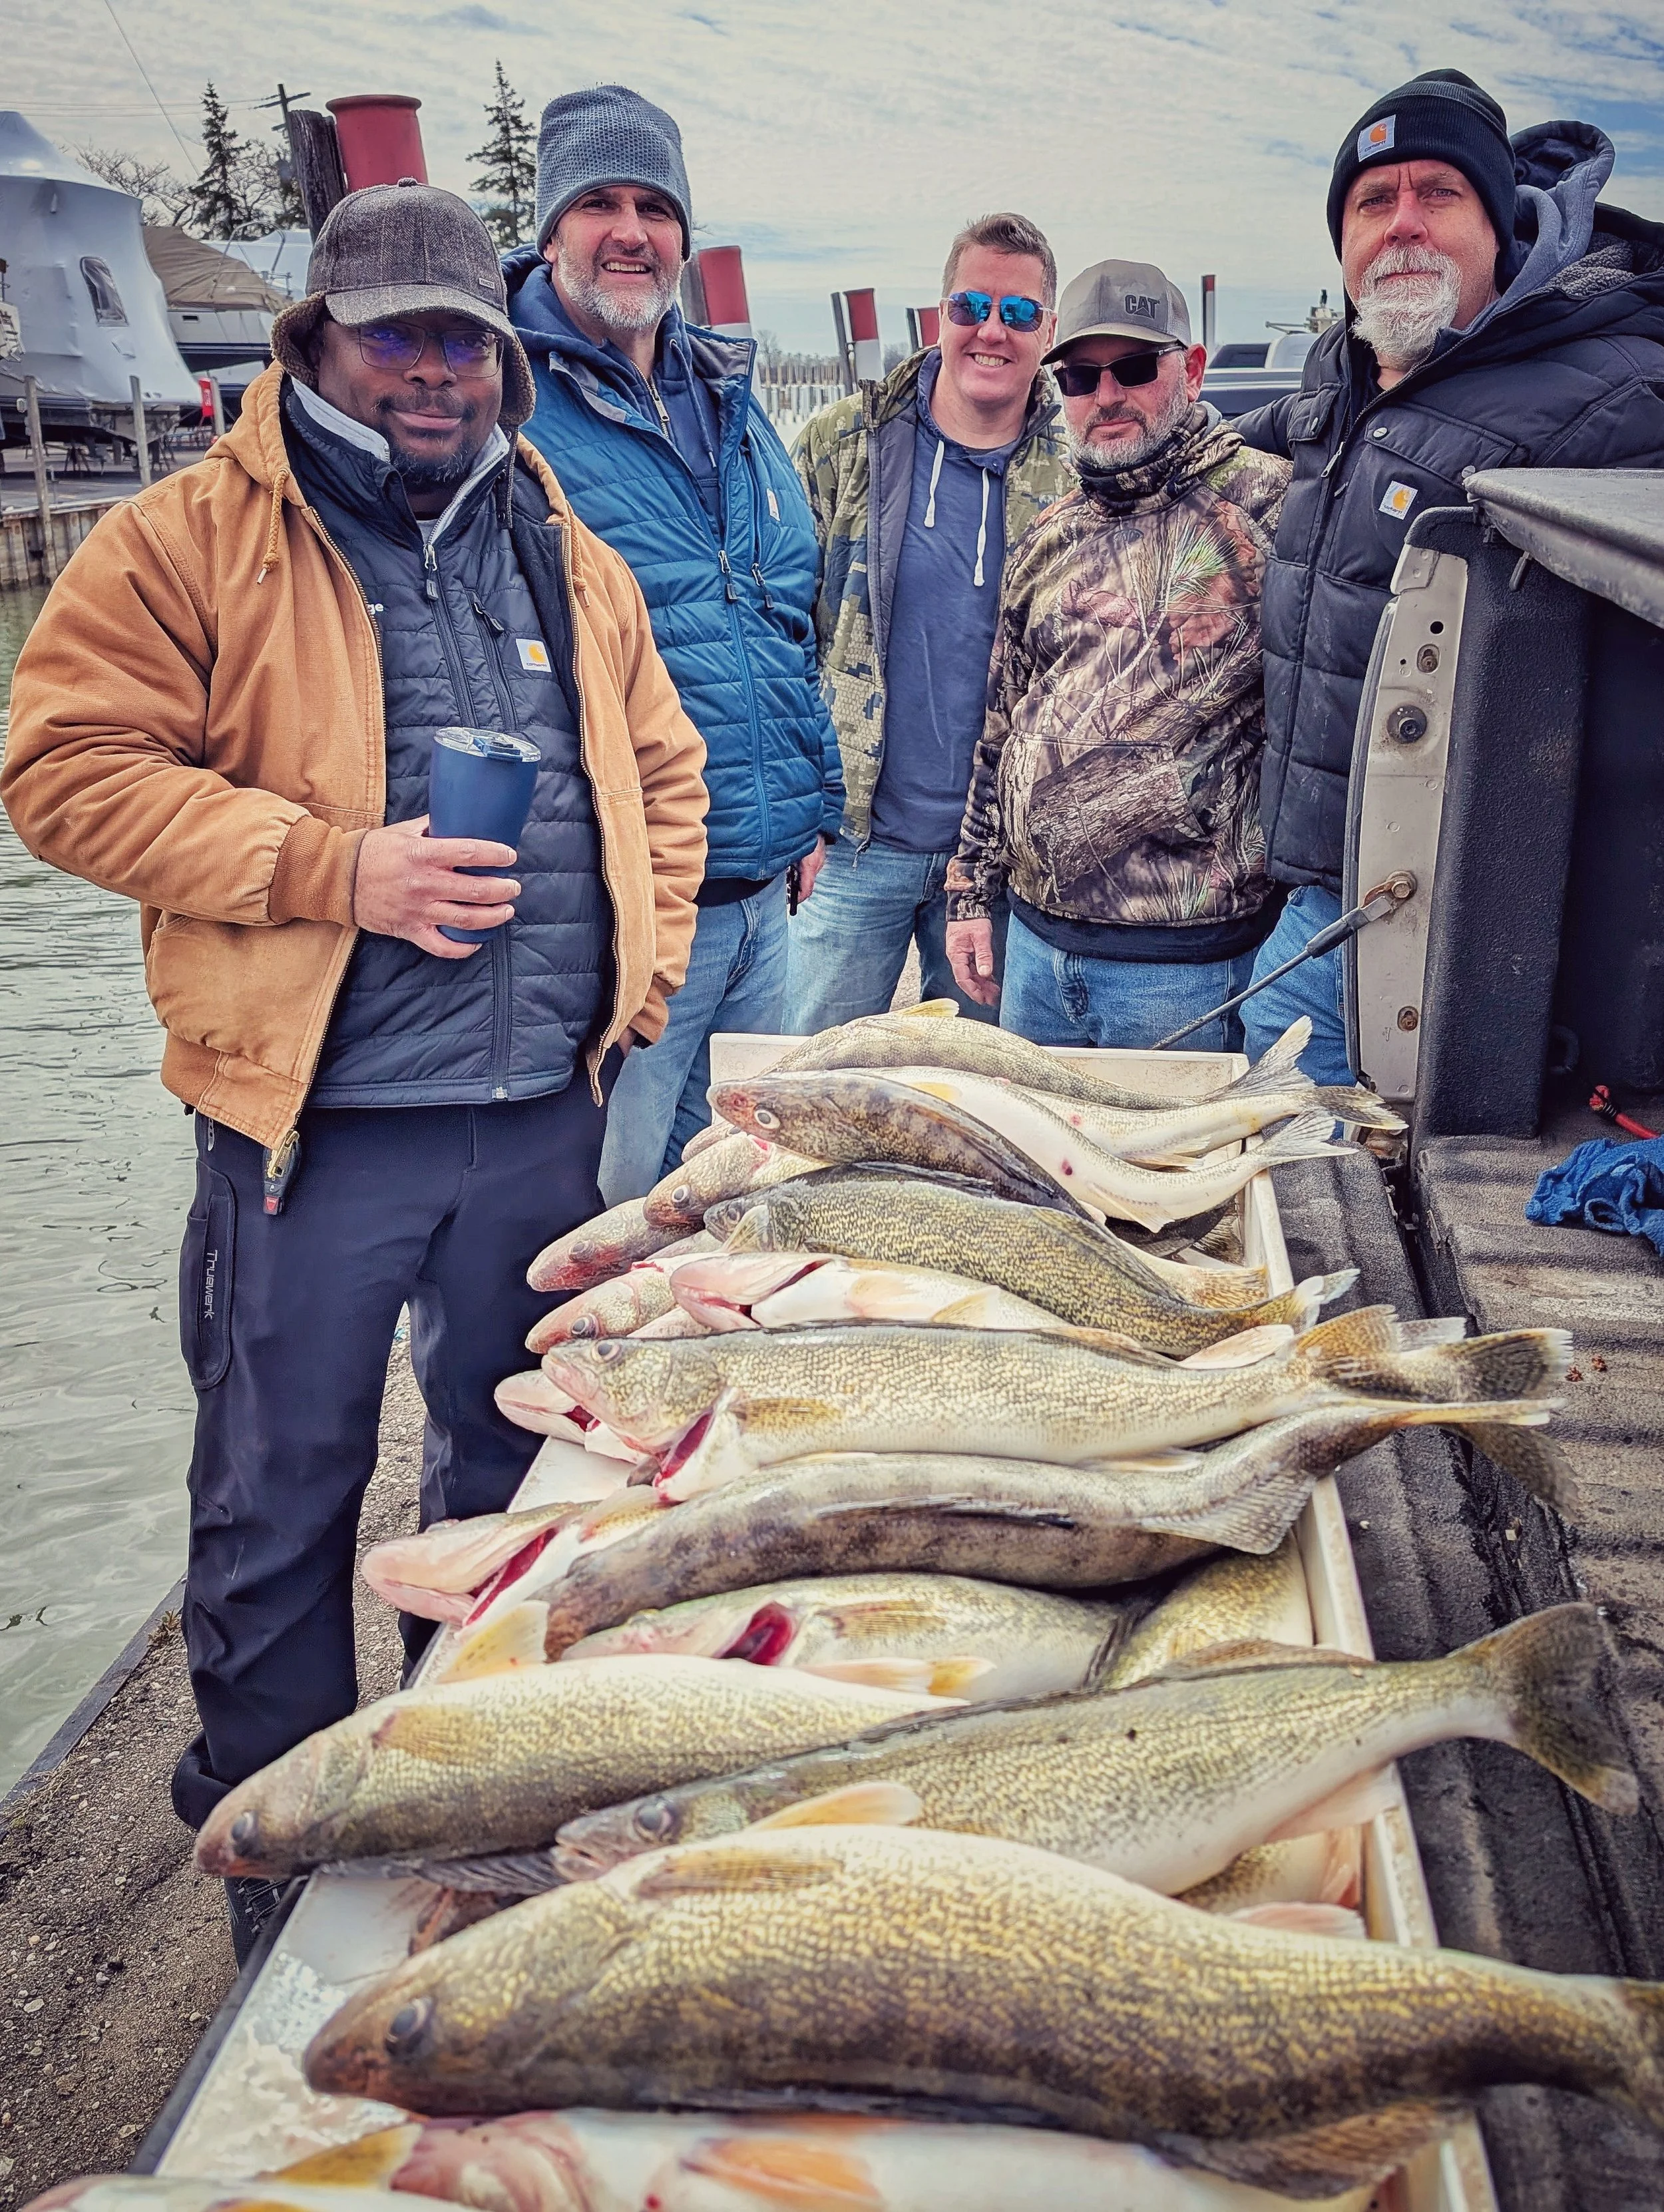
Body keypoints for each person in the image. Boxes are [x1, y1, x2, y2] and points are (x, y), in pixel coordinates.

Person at [0, 182, 708, 1962]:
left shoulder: (561, 541)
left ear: (500, 352)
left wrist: (641, 989)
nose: (428, 368)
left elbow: (666, 771)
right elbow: (60, 765)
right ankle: (278, 1874)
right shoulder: (185, 539)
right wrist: (336, 867)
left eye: (458, 333)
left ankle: (458, 1798)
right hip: (308, 1135)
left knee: (510, 1480)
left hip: (542, 1112)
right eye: (390, 329)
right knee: (274, 1505)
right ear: (316, 337)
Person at [1233, 69, 1664, 1081]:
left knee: (1397, 1203)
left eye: (1441, 194)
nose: (1405, 225)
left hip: (1469, 932)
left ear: (1502, 226)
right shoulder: (1343, 377)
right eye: (1374, 201)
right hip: (1314, 902)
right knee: (1301, 1185)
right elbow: (1253, 442)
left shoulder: (1618, 385)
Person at [504, 85, 841, 1196]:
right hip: (624, 911)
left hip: (760, 898)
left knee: (730, 1184)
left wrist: (808, 805)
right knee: (601, 1205)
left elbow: (781, 618)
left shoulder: (731, 398)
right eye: (598, 202)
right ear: (552, 228)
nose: (631, 231)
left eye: (656, 205)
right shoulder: (504, 407)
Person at [944, 260, 1289, 1050]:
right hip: (1033, 954)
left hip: (1181, 971)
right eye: (1079, 375)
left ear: (1191, 369)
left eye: (1134, 368)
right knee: (1045, 1172)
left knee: (1166, 1172)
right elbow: (1001, 725)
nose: (1105, 396)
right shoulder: (1048, 532)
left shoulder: (1274, 509)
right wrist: (970, 892)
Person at [784, 212, 1072, 1028]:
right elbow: (780, 634)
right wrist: (797, 809)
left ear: (1047, 332)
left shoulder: (1082, 473)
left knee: (978, 1111)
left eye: (1017, 314)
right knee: (812, 1090)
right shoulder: (843, 445)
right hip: (851, 849)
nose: (990, 331)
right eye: (969, 307)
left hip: (1002, 866)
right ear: (937, 316)